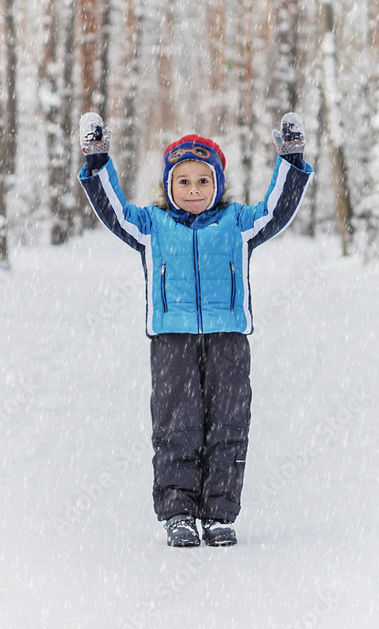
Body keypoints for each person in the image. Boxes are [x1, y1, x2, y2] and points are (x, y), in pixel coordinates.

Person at [78, 112, 313, 547]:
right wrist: (97, 161)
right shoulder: (152, 227)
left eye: (203, 181)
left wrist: (291, 158)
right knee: (176, 426)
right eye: (183, 182)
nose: (193, 190)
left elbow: (276, 212)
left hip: (228, 339)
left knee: (228, 425)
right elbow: (114, 213)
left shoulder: (237, 224)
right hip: (172, 341)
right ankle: (180, 513)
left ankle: (220, 514)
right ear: (169, 186)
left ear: (218, 185)